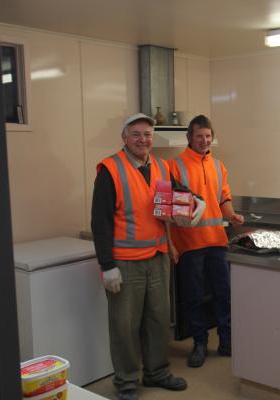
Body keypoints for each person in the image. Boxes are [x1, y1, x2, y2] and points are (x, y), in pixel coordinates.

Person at [91, 113, 187, 400]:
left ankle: (157, 372)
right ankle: (127, 380)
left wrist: (194, 202)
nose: (143, 139)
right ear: (124, 137)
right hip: (125, 261)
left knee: (158, 319)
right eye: (136, 134)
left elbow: (176, 198)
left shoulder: (161, 165)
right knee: (124, 324)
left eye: (147, 134)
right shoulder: (110, 169)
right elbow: (101, 222)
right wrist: (107, 265)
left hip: (157, 256)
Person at [168, 114, 244, 368]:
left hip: (217, 242)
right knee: (194, 297)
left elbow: (223, 199)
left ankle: (226, 341)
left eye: (208, 136)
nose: (204, 140)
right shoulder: (174, 166)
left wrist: (231, 215)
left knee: (224, 294)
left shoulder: (219, 166)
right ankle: (199, 343)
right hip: (189, 245)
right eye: (199, 136)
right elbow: (171, 210)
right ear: (189, 137)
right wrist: (171, 243)